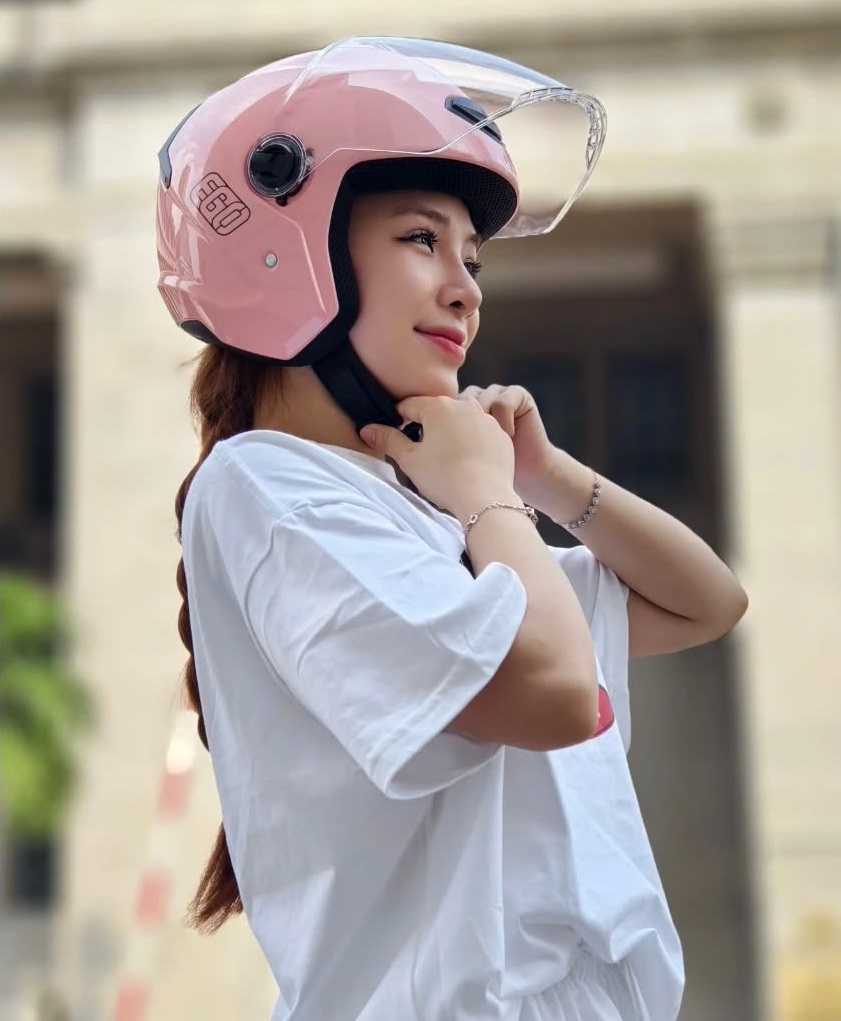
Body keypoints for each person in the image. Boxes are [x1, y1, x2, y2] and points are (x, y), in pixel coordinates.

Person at [156, 37, 748, 1021]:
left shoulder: (428, 510)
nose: (467, 288)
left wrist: (541, 476)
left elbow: (706, 601)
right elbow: (557, 695)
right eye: (420, 239)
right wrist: (488, 497)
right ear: (288, 253)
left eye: (471, 258)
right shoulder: (264, 486)